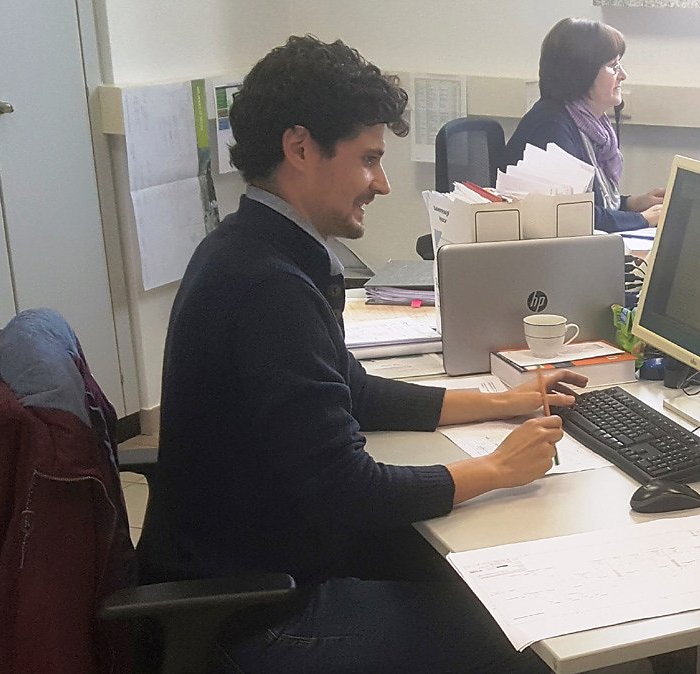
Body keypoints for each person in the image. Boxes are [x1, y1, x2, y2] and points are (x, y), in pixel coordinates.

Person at [136, 34, 587, 673]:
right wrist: (496, 468)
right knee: (531, 640)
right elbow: (348, 492)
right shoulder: (270, 289)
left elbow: (356, 392)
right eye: (369, 159)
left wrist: (503, 402)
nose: (382, 183)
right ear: (300, 148)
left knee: (481, 577)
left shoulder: (251, 247)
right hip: (263, 615)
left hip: (263, 561)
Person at [504, 17, 665, 233]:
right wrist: (642, 219)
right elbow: (575, 216)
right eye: (613, 66)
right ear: (582, 73)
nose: (623, 75)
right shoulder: (551, 127)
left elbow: (591, 202)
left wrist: (633, 204)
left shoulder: (588, 124)